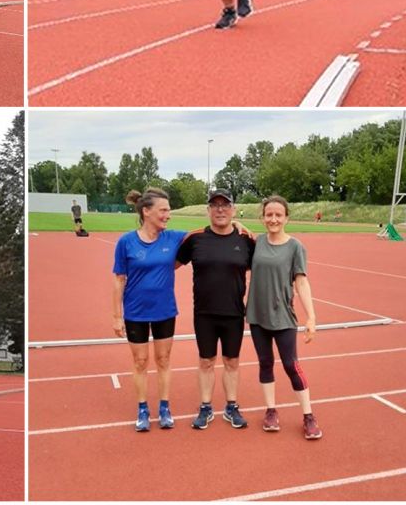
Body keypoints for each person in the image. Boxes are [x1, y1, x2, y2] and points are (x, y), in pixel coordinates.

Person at [175, 189, 256, 430]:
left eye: (225, 205)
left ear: (233, 209)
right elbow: (169, 265)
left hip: (233, 313)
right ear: (208, 209)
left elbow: (265, 266)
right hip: (204, 314)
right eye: (215, 205)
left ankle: (231, 406)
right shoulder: (195, 238)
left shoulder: (246, 240)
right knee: (206, 362)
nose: (220, 209)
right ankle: (206, 407)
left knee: (232, 361)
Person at [246, 195, 322, 439]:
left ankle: (308, 415)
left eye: (278, 215)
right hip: (257, 315)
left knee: (291, 365)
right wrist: (238, 226)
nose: (273, 219)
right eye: (269, 215)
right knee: (265, 363)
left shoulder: (295, 247)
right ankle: (271, 411)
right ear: (263, 217)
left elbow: (301, 281)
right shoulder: (256, 242)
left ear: (286, 217)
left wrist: (311, 317)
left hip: (283, 317)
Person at [112, 188, 188, 431]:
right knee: (140, 361)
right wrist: (116, 316)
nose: (168, 215)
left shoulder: (173, 237)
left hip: (165, 310)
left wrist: (237, 224)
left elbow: (204, 235)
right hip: (135, 312)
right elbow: (118, 279)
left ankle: (164, 407)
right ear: (147, 211)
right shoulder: (126, 242)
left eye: (169, 210)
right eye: (163, 210)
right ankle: (142, 409)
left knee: (163, 359)